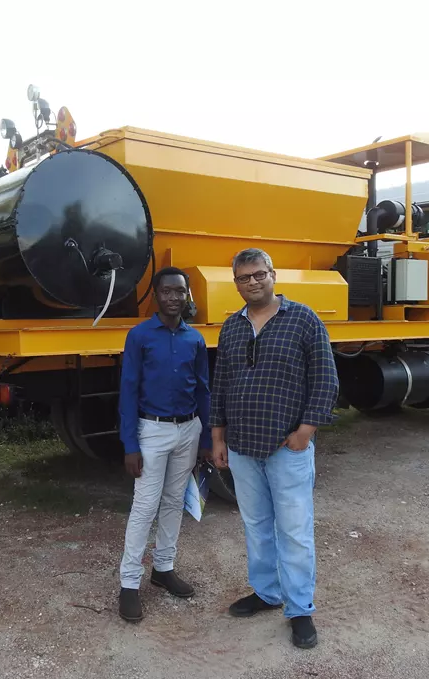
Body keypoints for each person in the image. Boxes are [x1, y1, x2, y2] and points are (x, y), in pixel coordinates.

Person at [210, 248, 339, 649]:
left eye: (259, 274)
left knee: (295, 530)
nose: (252, 282)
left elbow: (326, 378)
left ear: (273, 274)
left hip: (287, 447)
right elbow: (220, 385)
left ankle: (300, 608)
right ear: (236, 283)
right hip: (242, 447)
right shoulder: (231, 327)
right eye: (244, 277)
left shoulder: (303, 319)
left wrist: (306, 431)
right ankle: (267, 592)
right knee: (257, 525)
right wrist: (217, 438)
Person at [117, 266, 212, 623]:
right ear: (156, 296)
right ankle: (129, 583)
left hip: (188, 430)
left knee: (174, 501)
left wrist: (206, 437)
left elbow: (203, 390)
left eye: (180, 291)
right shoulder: (140, 336)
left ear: (188, 295)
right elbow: (128, 391)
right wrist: (130, 444)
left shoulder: (195, 339)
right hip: (151, 432)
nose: (174, 297)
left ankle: (164, 568)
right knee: (145, 506)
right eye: (167, 291)